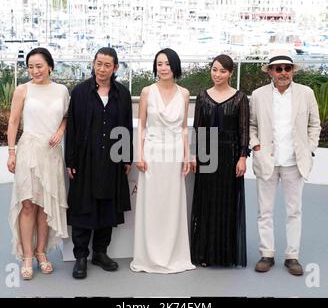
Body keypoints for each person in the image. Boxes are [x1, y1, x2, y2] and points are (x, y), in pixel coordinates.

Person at [250, 50, 321, 276]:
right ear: (270, 72)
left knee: (294, 211)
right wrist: (256, 146)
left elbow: (314, 124)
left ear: (292, 71)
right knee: (265, 211)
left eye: (287, 68)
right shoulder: (258, 95)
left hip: (294, 161)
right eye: (278, 69)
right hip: (267, 160)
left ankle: (292, 256)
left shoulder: (306, 93)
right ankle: (267, 253)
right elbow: (251, 125)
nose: (283, 73)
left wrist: (309, 147)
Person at [65, 47, 133, 279]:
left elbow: (126, 127)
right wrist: (70, 159)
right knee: (83, 207)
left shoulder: (122, 94)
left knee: (107, 207)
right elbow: (72, 128)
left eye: (107, 65)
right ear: (93, 64)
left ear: (115, 68)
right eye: (98, 63)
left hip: (112, 158)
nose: (102, 69)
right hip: (85, 158)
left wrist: (126, 157)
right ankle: (81, 256)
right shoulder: (80, 92)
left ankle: (100, 253)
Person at [130, 48, 195, 273]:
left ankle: (174, 255)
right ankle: (149, 256)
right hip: (153, 153)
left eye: (167, 64)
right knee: (152, 204)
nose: (163, 68)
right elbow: (141, 126)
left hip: (175, 153)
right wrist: (139, 153)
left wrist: (187, 155)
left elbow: (184, 128)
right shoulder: (148, 91)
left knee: (172, 205)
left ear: (175, 66)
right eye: (159, 64)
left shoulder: (184, 94)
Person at [7, 47, 69, 280]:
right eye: (31, 67)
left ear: (50, 66)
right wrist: (11, 152)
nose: (35, 71)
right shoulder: (23, 90)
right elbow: (13, 122)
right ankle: (26, 256)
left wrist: (61, 130)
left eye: (39, 66)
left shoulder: (61, 90)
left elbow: (66, 115)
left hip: (51, 153)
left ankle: (41, 253)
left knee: (45, 207)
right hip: (28, 151)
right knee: (27, 205)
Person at [190, 54, 249, 267]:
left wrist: (242, 157)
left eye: (223, 71)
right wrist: (194, 154)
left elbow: (243, 131)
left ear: (231, 73)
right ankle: (204, 253)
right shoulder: (203, 97)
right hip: (206, 155)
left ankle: (224, 255)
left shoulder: (240, 98)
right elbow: (197, 129)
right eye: (215, 69)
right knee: (206, 202)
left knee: (227, 203)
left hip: (230, 155)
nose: (218, 74)